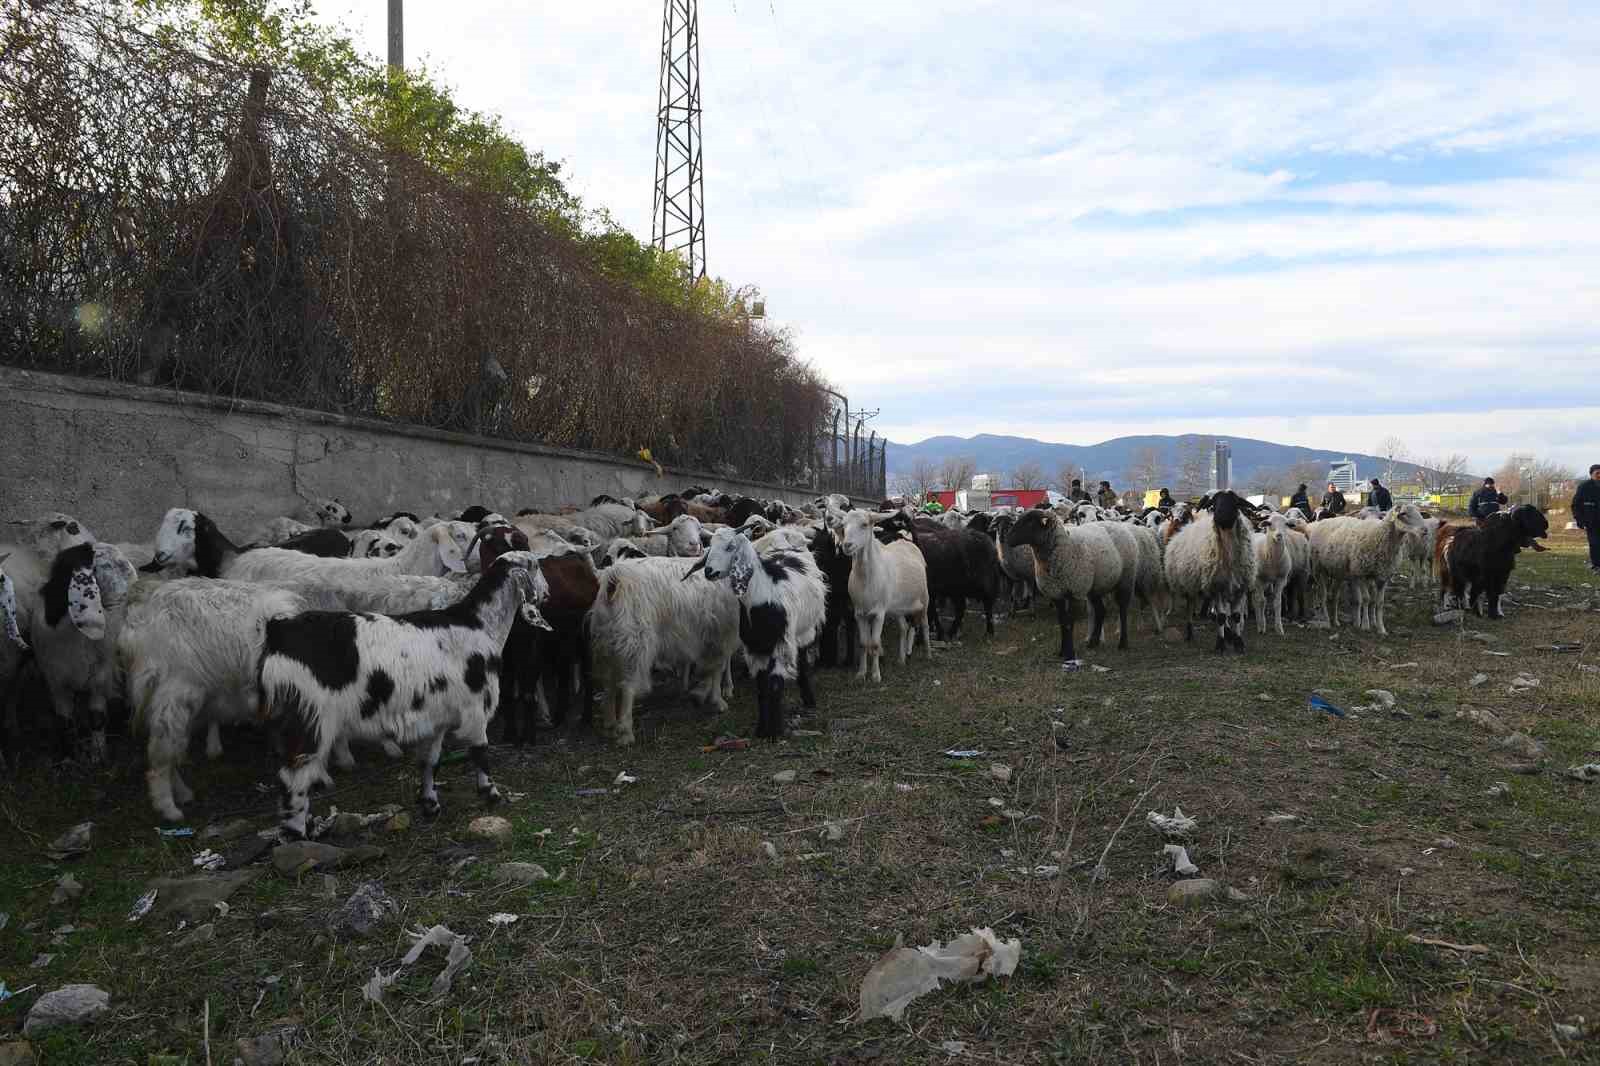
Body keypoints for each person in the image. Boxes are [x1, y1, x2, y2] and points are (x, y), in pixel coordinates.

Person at [1572, 464, 1600, 571]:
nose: (1599, 475)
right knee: (1595, 543)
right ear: (1591, 474)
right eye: (1597, 473)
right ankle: (1596, 565)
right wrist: (1580, 520)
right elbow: (1575, 505)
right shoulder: (1584, 487)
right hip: (1591, 522)